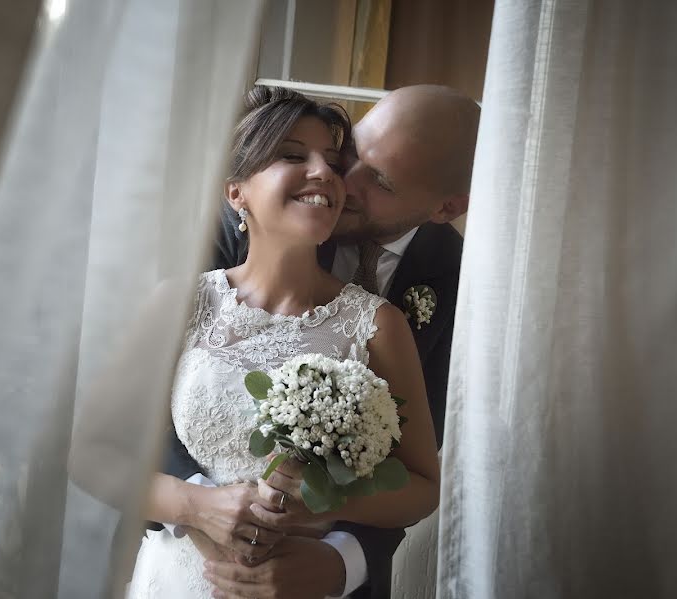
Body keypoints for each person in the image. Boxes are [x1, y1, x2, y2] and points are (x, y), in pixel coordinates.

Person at [112, 86, 442, 598]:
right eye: (292, 155)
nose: (325, 173)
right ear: (235, 192)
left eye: (333, 161)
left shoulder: (380, 324)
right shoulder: (179, 302)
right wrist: (193, 506)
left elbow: (422, 488)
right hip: (178, 579)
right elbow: (90, 450)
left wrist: (329, 502)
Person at [194, 85, 480, 599]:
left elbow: (410, 467)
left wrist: (342, 562)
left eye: (381, 181)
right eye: (353, 152)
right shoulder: (242, 222)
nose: (340, 178)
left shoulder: (465, 286)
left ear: (445, 208)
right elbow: (159, 407)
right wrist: (195, 509)